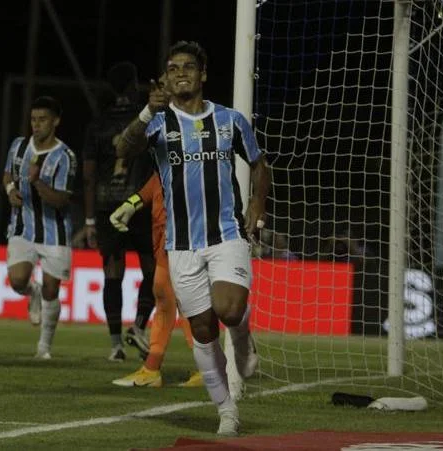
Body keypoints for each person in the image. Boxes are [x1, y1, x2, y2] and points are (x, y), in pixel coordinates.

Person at [116, 41, 270, 436]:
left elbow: (258, 162)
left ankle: (243, 338)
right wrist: (149, 108)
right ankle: (226, 411)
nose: (180, 72)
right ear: (165, 79)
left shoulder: (229, 120)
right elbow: (123, 147)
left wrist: (257, 206)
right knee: (202, 330)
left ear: (202, 75)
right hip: (181, 245)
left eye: (188, 67)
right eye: (172, 68)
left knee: (230, 309)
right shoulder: (158, 123)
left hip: (226, 234)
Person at [82, 61, 157, 362]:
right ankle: (139, 325)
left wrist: (88, 220)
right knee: (152, 269)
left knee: (113, 272)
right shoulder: (147, 118)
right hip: (140, 203)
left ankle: (115, 346)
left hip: (106, 204)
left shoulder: (97, 124)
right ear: (134, 83)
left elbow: (88, 175)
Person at [109, 172, 203, 388]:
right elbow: (155, 183)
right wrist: (131, 204)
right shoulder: (166, 158)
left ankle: (209, 368)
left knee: (185, 300)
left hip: (186, 234)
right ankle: (153, 369)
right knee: (164, 296)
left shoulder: (188, 150)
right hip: (165, 235)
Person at [1, 96, 76, 360]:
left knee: (52, 290)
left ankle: (44, 348)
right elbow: (8, 174)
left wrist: (37, 183)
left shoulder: (65, 157)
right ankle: (31, 293)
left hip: (55, 232)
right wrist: (10, 189)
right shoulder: (19, 146)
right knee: (17, 280)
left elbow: (62, 200)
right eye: (33, 119)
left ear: (55, 121)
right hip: (22, 226)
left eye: (43, 119)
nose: (36, 125)